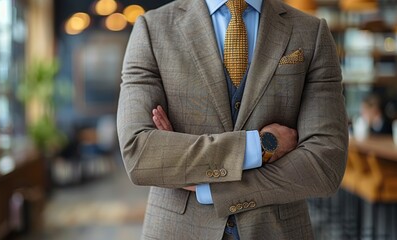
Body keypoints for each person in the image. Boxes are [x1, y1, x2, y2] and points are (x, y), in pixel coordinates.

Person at [117, 0, 348, 239]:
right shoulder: (152, 28)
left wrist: (210, 187)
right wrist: (260, 146)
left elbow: (325, 164)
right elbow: (139, 154)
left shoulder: (311, 32)